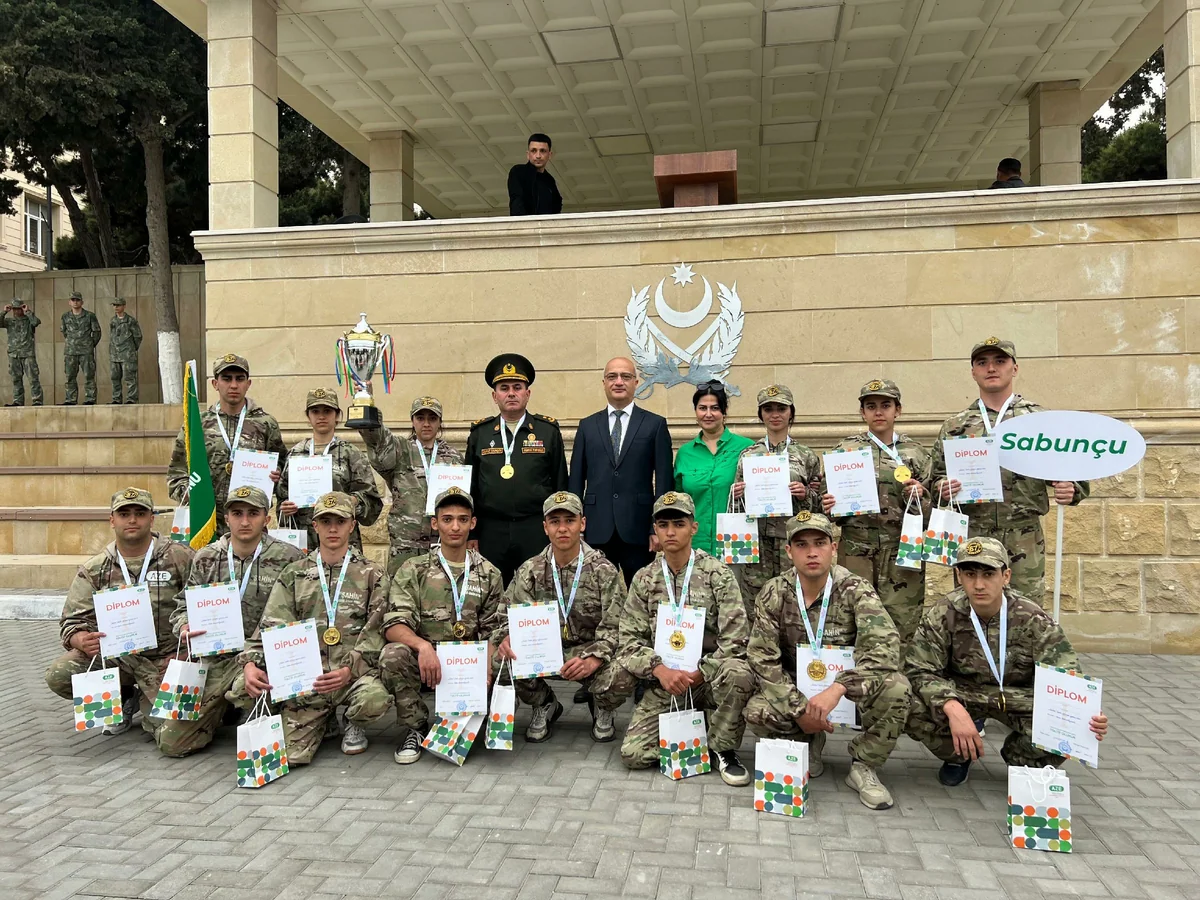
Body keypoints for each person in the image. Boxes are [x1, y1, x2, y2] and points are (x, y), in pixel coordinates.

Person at [906, 537, 1109, 786]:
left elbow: (1066, 678)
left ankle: (1020, 757)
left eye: (989, 574)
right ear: (959, 576)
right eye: (970, 574)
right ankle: (958, 755)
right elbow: (919, 670)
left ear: (1006, 576)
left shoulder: (1032, 617)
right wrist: (951, 706)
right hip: (964, 695)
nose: (979, 585)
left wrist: (1087, 714)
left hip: (1018, 697)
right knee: (906, 702)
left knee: (1073, 725)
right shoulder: (943, 613)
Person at [744, 511, 910, 810]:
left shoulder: (855, 589)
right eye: (802, 544)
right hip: (800, 690)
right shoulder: (775, 591)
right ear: (789, 551)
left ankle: (864, 765)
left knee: (896, 688)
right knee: (758, 711)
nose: (811, 552)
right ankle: (808, 742)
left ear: (834, 547)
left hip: (844, 694)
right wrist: (798, 709)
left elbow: (885, 648)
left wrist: (839, 688)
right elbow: (761, 657)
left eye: (820, 543)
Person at [235, 492, 392, 763]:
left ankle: (353, 719)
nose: (333, 528)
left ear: (352, 526)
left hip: (350, 677)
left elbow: (376, 632)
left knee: (374, 699)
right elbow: (272, 624)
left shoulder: (372, 573)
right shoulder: (294, 574)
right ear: (315, 526)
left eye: (340, 521)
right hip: (307, 680)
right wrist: (251, 664)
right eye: (325, 521)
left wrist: (348, 670)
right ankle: (320, 720)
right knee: (283, 752)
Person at [932, 338, 1088, 606]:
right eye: (982, 363)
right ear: (973, 372)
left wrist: (1071, 489)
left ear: (1014, 368)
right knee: (972, 609)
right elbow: (933, 479)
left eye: (1000, 361)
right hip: (974, 534)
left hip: (1023, 535)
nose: (991, 368)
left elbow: (1075, 475)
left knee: (1025, 611)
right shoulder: (955, 426)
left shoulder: (1038, 420)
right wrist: (942, 487)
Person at [617, 491, 754, 786]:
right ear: (655, 529)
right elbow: (628, 640)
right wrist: (659, 670)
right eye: (663, 524)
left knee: (739, 673)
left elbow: (737, 638)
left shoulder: (717, 574)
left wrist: (701, 673)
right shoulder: (644, 578)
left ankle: (723, 748)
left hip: (707, 679)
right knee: (634, 755)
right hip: (667, 681)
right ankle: (693, 734)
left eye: (678, 524)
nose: (670, 531)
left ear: (694, 527)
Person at [157, 486, 304, 757]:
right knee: (172, 744)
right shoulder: (206, 558)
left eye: (253, 513)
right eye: (237, 513)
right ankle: (220, 712)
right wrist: (185, 625)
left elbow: (303, 612)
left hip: (264, 659)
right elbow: (182, 606)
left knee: (247, 694)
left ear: (267, 519)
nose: (245, 521)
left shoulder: (290, 558)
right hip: (216, 660)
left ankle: (263, 708)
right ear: (227, 518)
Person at [43, 488, 195, 736]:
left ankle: (150, 704)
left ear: (152, 519)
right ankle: (124, 698)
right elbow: (72, 620)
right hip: (119, 658)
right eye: (124, 514)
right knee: (60, 674)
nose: (132, 520)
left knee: (168, 729)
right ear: (112, 520)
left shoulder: (179, 557)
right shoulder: (95, 569)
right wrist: (80, 638)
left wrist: (187, 640)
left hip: (168, 658)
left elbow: (198, 602)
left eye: (140, 513)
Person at [498, 491, 636, 744]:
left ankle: (603, 706)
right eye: (555, 521)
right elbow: (507, 615)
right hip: (542, 653)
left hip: (588, 653)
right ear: (545, 527)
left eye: (570, 521)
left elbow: (618, 625)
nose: (563, 528)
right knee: (500, 662)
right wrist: (507, 637)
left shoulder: (603, 570)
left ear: (582, 524)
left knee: (625, 670)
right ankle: (545, 703)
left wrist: (594, 658)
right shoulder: (531, 570)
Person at [381, 487, 506, 765]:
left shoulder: (489, 573)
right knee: (393, 655)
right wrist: (422, 646)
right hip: (429, 662)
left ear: (472, 523)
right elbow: (394, 623)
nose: (455, 526)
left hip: (471, 669)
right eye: (447, 519)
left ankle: (481, 718)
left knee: (505, 659)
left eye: (463, 519)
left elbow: (494, 629)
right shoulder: (414, 569)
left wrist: (487, 660)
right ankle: (415, 725)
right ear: (435, 523)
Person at [822, 379, 932, 649]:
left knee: (903, 623)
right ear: (862, 413)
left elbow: (932, 509)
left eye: (886, 405)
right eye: (871, 406)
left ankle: (898, 686)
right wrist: (828, 504)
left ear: (898, 410)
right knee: (853, 618)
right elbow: (826, 509)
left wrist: (920, 495)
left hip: (902, 550)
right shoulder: (845, 451)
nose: (878, 412)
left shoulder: (915, 453)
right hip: (857, 549)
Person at [568, 357, 673, 585]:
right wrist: (576, 526)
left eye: (625, 377)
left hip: (639, 530)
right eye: (612, 377)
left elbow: (664, 481)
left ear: (636, 383)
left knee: (644, 595)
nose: (618, 382)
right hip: (596, 529)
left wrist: (657, 526)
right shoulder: (587, 426)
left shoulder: (654, 424)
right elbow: (575, 480)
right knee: (594, 598)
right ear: (603, 383)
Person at [465, 353, 568, 582]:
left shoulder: (547, 432)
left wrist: (559, 527)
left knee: (535, 590)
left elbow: (561, 485)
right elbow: (470, 489)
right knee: (491, 591)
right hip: (491, 530)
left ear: (527, 393)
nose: (511, 393)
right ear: (495, 396)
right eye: (504, 387)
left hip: (534, 528)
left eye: (517, 387)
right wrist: (471, 532)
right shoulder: (479, 435)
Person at [166, 354, 288, 537]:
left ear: (248, 383)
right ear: (215, 384)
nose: (233, 385)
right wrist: (192, 494)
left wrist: (276, 476)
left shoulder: (265, 423)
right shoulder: (197, 424)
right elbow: (177, 473)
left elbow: (283, 466)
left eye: (240, 379)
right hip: (205, 525)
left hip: (249, 524)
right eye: (226, 378)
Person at [731, 384, 823, 612]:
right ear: (760, 414)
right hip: (757, 542)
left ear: (791, 412)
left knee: (793, 599)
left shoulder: (806, 455)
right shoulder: (748, 455)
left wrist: (805, 494)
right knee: (756, 600)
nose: (775, 415)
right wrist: (738, 494)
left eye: (781, 408)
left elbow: (820, 505)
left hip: (792, 541)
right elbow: (736, 505)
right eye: (768, 409)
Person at [360, 395, 464, 574]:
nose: (426, 424)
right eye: (420, 418)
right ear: (412, 421)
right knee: (401, 595)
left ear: (440, 422)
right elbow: (377, 439)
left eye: (432, 418)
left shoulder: (454, 456)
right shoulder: (400, 449)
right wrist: (366, 401)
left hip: (443, 542)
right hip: (405, 543)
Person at [277, 387, 383, 553]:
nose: (321, 416)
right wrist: (285, 509)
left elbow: (372, 502)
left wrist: (353, 501)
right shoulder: (295, 454)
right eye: (315, 411)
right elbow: (282, 499)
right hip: (304, 545)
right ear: (308, 416)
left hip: (342, 542)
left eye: (327, 411)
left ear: (337, 416)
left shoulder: (351, 454)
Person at [673, 381, 754, 557]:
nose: (708, 414)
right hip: (694, 542)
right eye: (702, 408)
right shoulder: (685, 453)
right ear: (696, 412)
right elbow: (678, 501)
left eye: (715, 408)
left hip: (737, 539)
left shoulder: (747, 448)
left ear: (724, 412)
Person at [61, 290, 102, 405]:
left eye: (77, 300)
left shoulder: (90, 316)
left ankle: (90, 399)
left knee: (89, 376)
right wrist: (72, 342)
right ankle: (70, 399)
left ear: (82, 302)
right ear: (69, 302)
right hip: (70, 351)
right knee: (70, 376)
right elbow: (64, 332)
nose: (75, 302)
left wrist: (89, 344)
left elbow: (97, 332)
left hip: (86, 351)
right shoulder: (65, 316)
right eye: (73, 300)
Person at [507, 133, 562, 216]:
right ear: (528, 154)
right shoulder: (518, 171)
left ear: (549, 155)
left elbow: (556, 206)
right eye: (534, 151)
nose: (538, 156)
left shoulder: (550, 180)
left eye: (542, 151)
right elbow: (517, 202)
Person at [1, 298, 42, 407]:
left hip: (27, 354)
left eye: (18, 309)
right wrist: (4, 311)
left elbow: (36, 322)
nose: (16, 311)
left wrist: (28, 311)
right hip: (14, 354)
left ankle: (37, 400)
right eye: (14, 309)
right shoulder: (9, 321)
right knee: (16, 379)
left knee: (33, 378)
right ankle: (18, 401)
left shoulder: (28, 320)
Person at [108, 297, 142, 405]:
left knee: (129, 377)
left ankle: (131, 398)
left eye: (118, 305)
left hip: (127, 354)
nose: (116, 307)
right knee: (115, 377)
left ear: (124, 306)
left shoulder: (131, 321)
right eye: (114, 305)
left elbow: (138, 336)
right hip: (115, 355)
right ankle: (116, 399)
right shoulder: (113, 321)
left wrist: (131, 349)